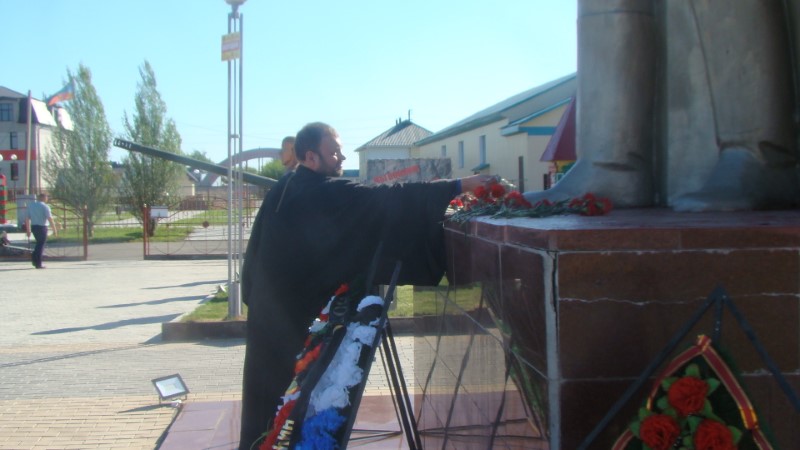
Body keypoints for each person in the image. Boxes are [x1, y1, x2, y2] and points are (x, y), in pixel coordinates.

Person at [238, 122, 495, 449]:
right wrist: (459, 185)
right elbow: (385, 199)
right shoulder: (322, 191)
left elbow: (254, 251)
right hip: (292, 320)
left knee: (266, 398)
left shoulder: (286, 185)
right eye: (334, 152)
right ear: (310, 157)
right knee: (286, 398)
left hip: (268, 314)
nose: (342, 157)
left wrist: (252, 295)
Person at [25, 193, 57, 269]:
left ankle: (35, 259)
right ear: (43, 198)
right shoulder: (45, 206)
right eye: (47, 197)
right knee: (41, 244)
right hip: (42, 227)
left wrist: (28, 230)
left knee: (39, 243)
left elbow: (27, 218)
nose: (47, 199)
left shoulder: (31, 206)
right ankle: (38, 263)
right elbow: (50, 218)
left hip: (34, 227)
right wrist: (54, 229)